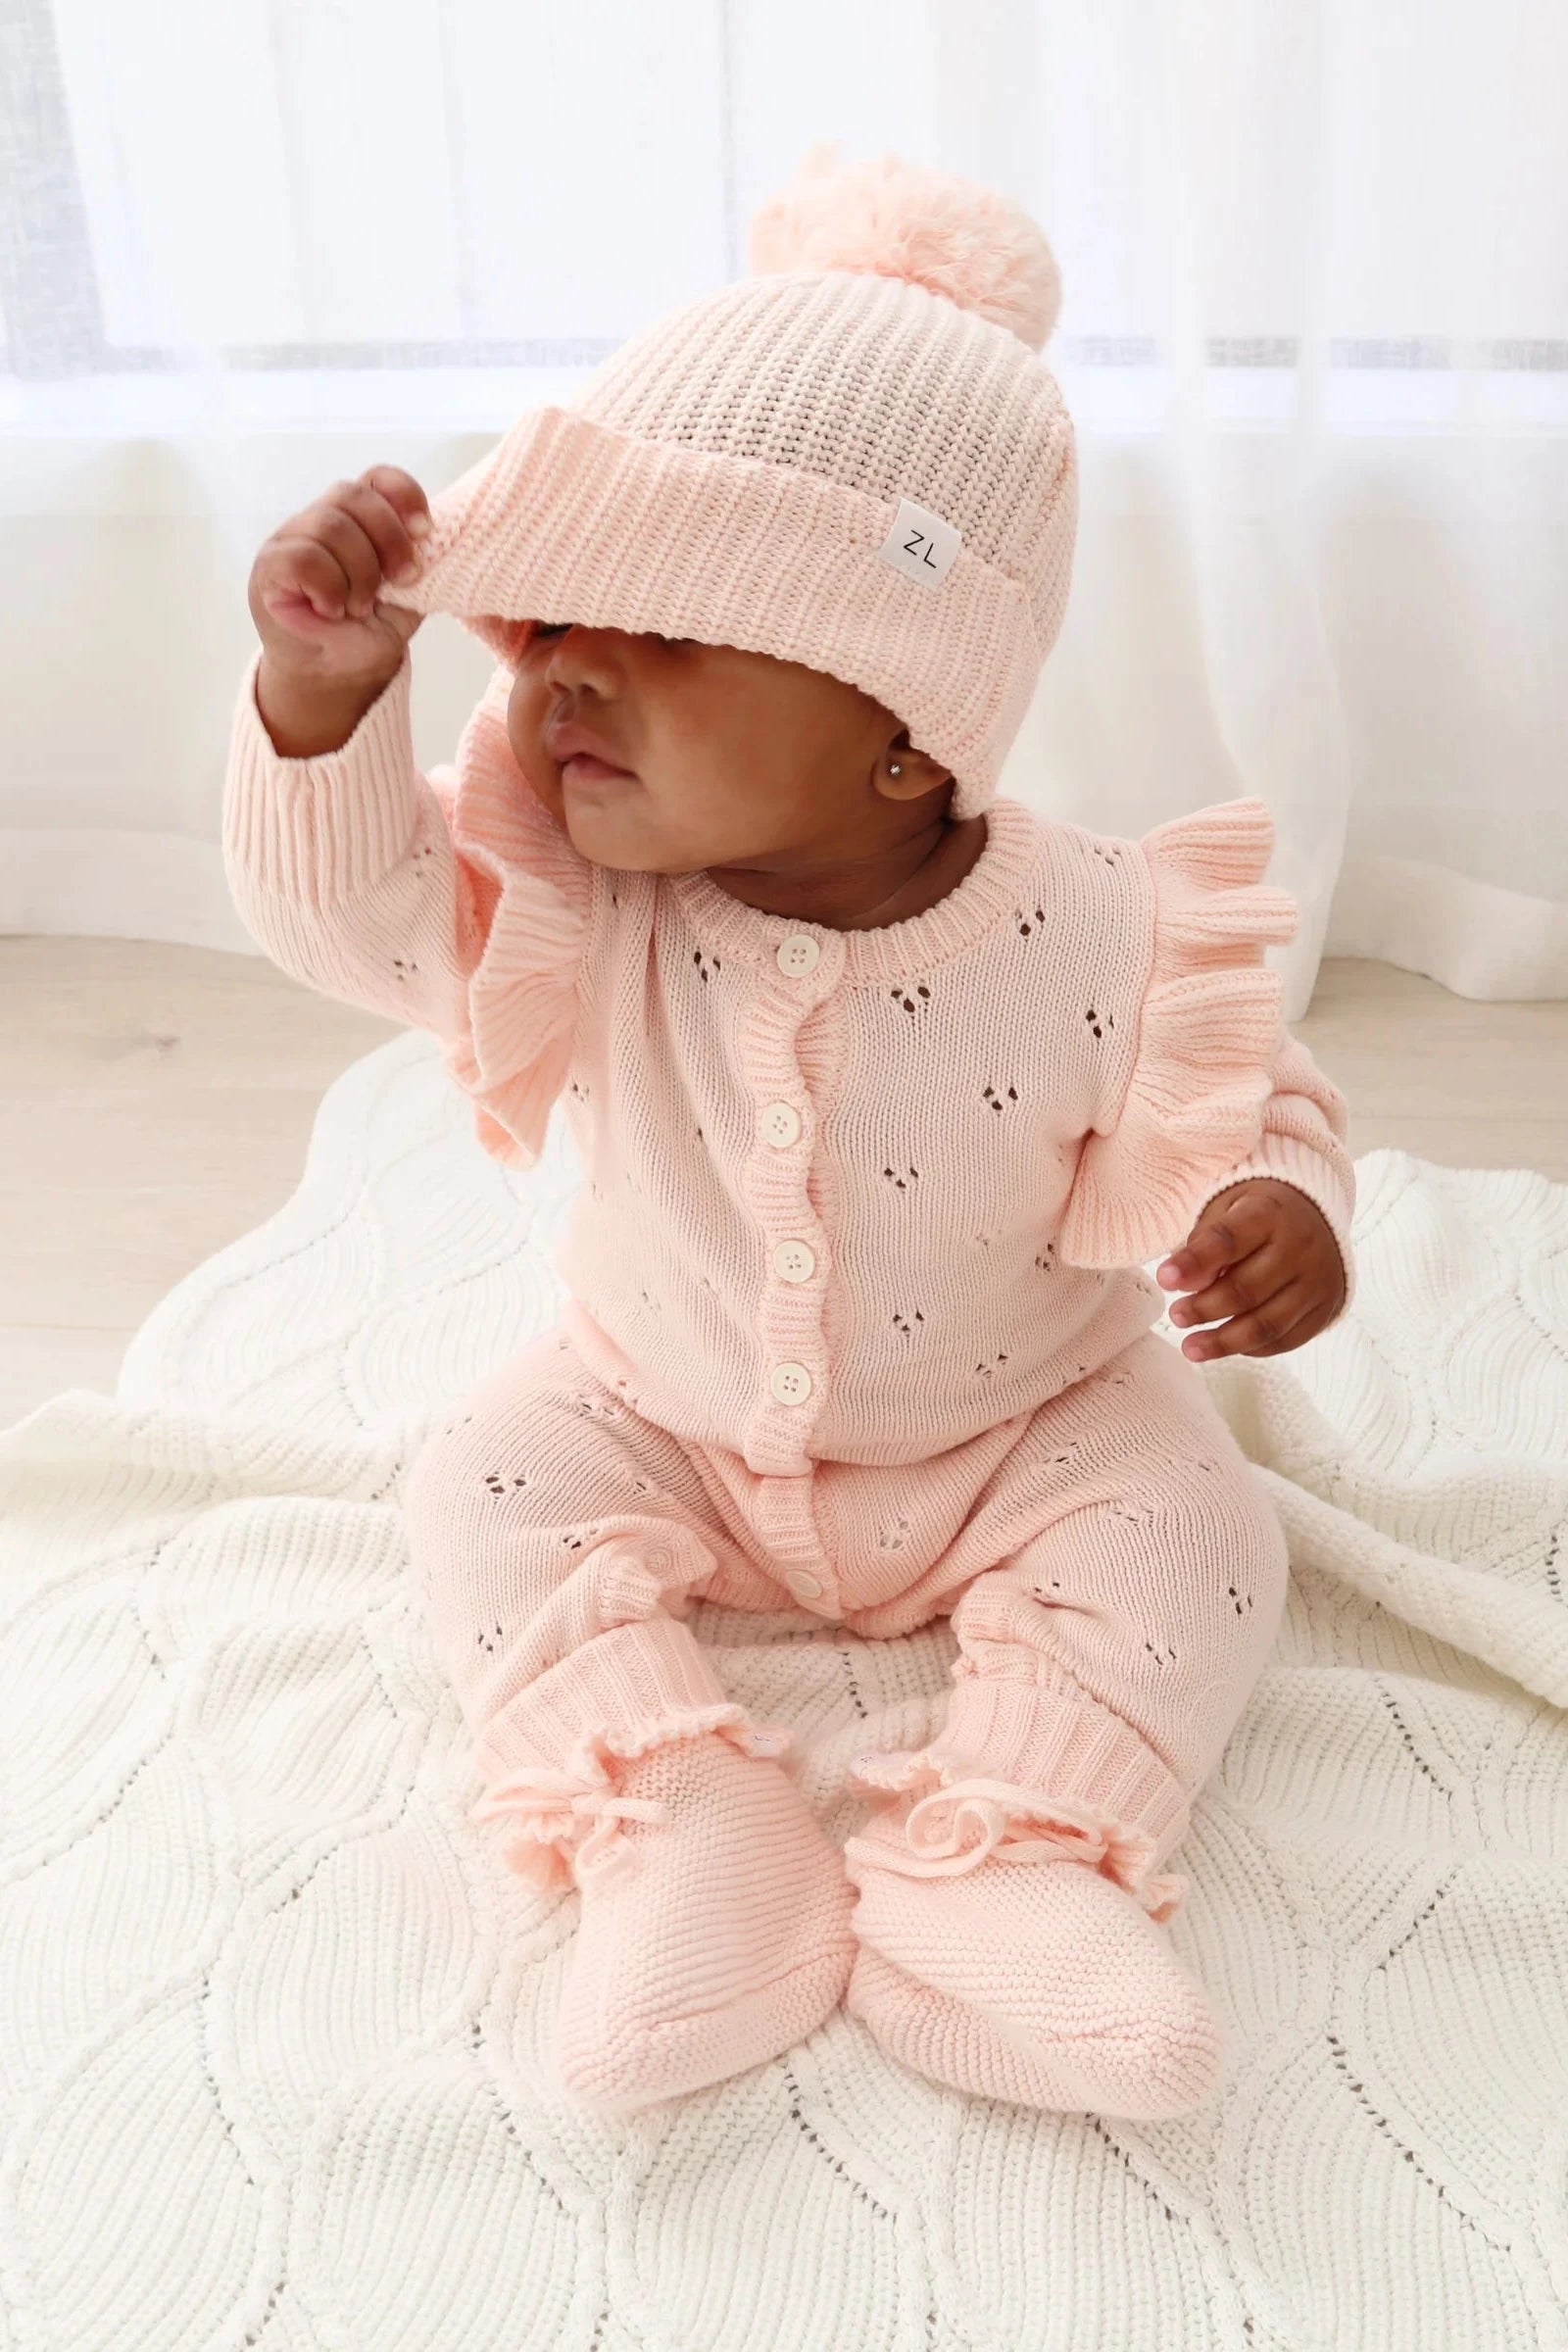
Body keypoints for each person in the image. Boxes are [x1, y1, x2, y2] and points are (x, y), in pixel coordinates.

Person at [223, 146, 1353, 2124]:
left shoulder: (1090, 925)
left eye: (657, 630)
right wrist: (318, 698)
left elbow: (1240, 1084)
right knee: (481, 1480)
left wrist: (1277, 1197)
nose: (564, 673)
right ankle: (678, 1822)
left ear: (905, 722)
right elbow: (357, 921)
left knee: (1195, 1534)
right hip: (659, 1400)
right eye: (543, 626)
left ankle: (1003, 1860)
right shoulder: (578, 889)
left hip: (1017, 1429)